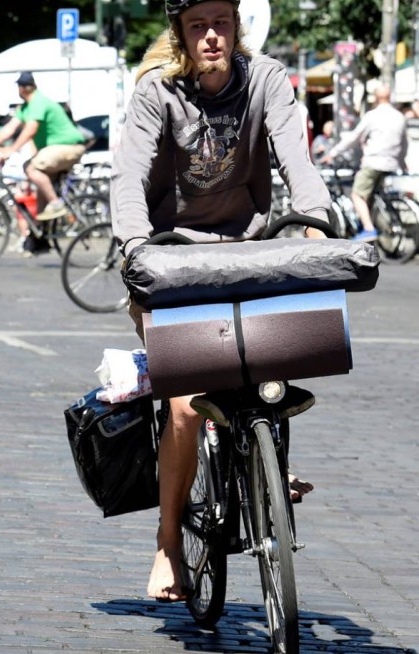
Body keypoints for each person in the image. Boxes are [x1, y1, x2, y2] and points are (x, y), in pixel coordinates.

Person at [110, 0, 331, 602]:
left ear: (237, 27)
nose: (212, 35)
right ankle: (168, 544)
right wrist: (134, 245)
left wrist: (314, 221)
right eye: (198, 25)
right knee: (185, 406)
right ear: (180, 33)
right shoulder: (159, 92)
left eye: (222, 23)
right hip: (170, 260)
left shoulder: (265, 79)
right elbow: (128, 176)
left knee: (274, 363)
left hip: (248, 253)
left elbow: (296, 158)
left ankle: (264, 458)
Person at [0, 71, 86, 223]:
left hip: (68, 147)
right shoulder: (26, 107)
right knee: (41, 193)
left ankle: (56, 203)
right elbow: (10, 128)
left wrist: (11, 150)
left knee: (30, 167)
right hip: (58, 149)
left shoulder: (38, 102)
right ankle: (40, 237)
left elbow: (30, 129)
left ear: (22, 89)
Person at [322, 85, 408, 243]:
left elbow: (354, 137)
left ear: (376, 98)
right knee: (370, 195)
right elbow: (404, 144)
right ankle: (369, 223)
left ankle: (368, 229)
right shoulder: (399, 116)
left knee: (357, 194)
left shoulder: (373, 116)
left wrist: (332, 153)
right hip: (391, 164)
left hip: (374, 162)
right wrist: (402, 162)